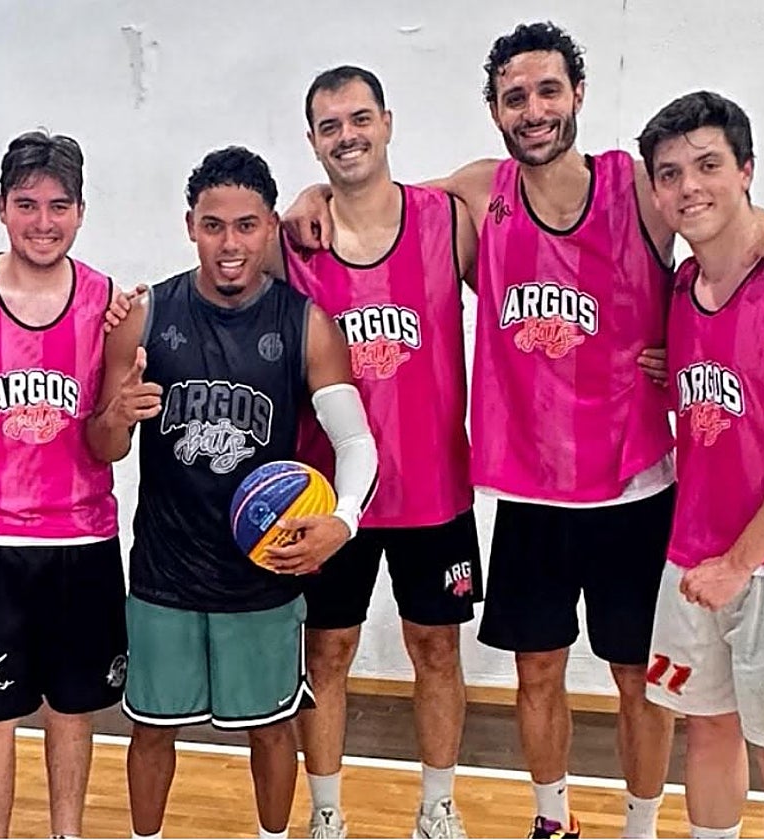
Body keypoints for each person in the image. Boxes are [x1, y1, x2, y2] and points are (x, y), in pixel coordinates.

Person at [284, 23, 681, 838]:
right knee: (534, 671)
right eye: (514, 97)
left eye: (547, 91)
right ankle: (549, 823)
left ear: (578, 93)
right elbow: (371, 192)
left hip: (633, 485)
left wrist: (692, 338)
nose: (533, 110)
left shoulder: (638, 186)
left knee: (637, 679)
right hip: (529, 493)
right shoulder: (478, 193)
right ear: (494, 109)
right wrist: (309, 197)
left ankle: (640, 828)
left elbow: (729, 228)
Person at [88, 146, 377, 840]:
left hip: (263, 570)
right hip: (164, 570)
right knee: (151, 730)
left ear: (271, 226)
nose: (230, 244)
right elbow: (102, 446)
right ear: (190, 225)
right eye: (214, 225)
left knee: (273, 729)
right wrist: (117, 415)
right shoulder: (145, 315)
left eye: (246, 226)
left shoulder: (305, 323)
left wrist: (343, 521)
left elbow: (356, 442)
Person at [284, 65, 481, 840]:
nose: (348, 136)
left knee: (436, 649)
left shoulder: (446, 220)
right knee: (327, 653)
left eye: (360, 119)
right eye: (330, 126)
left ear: (388, 122)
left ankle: (438, 807)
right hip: (328, 494)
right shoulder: (295, 242)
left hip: (434, 489)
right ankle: (327, 814)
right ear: (312, 141)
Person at [0, 131, 127, 838]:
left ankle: (65, 834)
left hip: (81, 539)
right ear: (1, 207)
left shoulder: (107, 302)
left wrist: (124, 409)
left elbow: (109, 439)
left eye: (58, 206)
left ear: (81, 211)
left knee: (72, 712)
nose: (42, 222)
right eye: (26, 204)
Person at [639, 90, 764, 840]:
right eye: (670, 174)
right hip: (693, 555)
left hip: (762, 567)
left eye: (708, 165)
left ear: (746, 169)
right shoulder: (681, 290)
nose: (689, 186)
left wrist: (739, 562)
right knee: (707, 728)